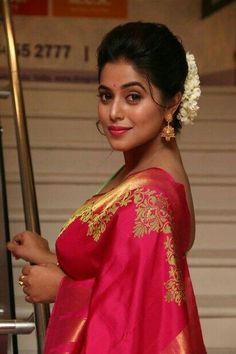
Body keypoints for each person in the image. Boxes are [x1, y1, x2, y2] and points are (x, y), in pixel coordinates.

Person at [7, 22, 206, 353]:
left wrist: (62, 289)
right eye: (105, 95)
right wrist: (48, 257)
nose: (114, 113)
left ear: (171, 103)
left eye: (133, 96)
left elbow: (144, 317)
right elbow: (127, 272)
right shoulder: (145, 169)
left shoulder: (149, 198)